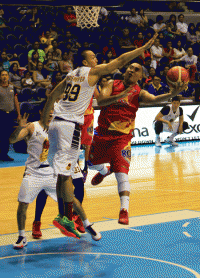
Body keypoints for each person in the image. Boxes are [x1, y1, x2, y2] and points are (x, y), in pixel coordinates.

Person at [41, 34, 159, 239]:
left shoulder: (70, 75)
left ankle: (64, 215)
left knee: (62, 174)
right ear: (86, 62)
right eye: (93, 57)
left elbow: (52, 96)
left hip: (55, 124)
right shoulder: (92, 72)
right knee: (67, 175)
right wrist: (143, 48)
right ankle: (66, 216)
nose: (97, 60)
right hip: (69, 126)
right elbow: (120, 61)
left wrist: (44, 121)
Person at [87, 64, 186, 226]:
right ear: (125, 71)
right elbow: (102, 101)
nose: (132, 70)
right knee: (91, 164)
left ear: (140, 77)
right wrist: (120, 96)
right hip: (102, 133)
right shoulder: (111, 84)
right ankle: (104, 171)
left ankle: (124, 210)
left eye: (136, 70)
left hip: (122, 138)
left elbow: (154, 99)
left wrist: (172, 94)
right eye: (130, 68)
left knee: (122, 173)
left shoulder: (139, 92)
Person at [9, 102, 86, 248]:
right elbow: (12, 140)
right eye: (48, 110)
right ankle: (25, 232)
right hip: (35, 171)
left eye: (53, 110)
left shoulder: (60, 127)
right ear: (41, 112)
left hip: (56, 169)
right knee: (25, 203)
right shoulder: (33, 126)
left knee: (73, 195)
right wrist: (20, 127)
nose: (51, 113)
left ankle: (84, 222)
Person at [0, 70, 21, 161]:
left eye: (6, 75)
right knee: (1, 135)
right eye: (2, 75)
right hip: (1, 114)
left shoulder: (13, 88)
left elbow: (16, 101)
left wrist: (19, 114)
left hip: (10, 114)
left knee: (7, 135)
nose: (4, 76)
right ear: (0, 77)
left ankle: (4, 154)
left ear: (8, 76)